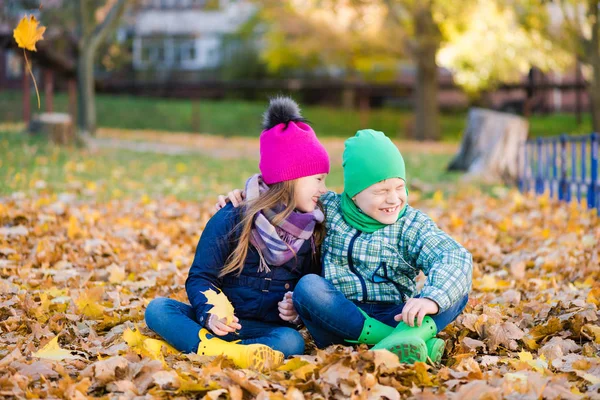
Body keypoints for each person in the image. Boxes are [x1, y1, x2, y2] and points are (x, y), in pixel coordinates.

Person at [217, 129, 472, 364]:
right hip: (338, 318)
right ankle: (404, 340)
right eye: (381, 191)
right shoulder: (327, 210)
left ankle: (402, 339)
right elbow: (286, 195)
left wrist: (430, 299)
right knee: (308, 287)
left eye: (399, 187)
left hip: (395, 314)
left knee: (455, 292)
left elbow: (452, 255)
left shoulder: (410, 224)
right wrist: (244, 197)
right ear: (354, 192)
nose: (394, 199)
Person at [145, 96, 330, 371]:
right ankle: (223, 350)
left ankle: (209, 350)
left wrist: (294, 314)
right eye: (317, 179)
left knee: (292, 343)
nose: (323, 189)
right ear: (290, 178)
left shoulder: (313, 230)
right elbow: (201, 276)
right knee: (158, 309)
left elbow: (308, 288)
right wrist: (210, 313)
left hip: (265, 329)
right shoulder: (233, 216)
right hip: (219, 323)